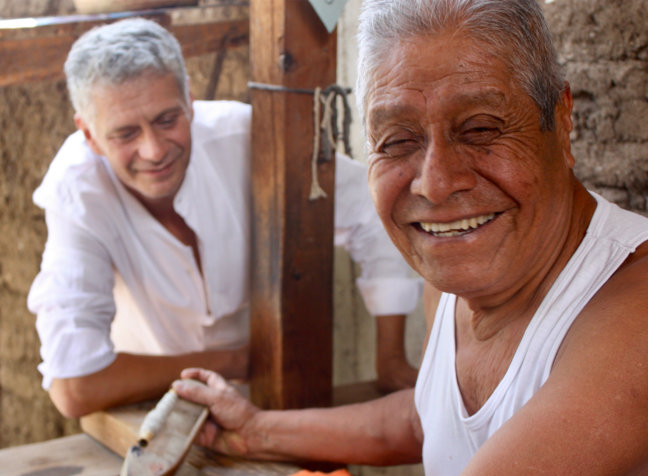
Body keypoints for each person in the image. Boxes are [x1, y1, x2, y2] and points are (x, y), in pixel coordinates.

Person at [0, 0, 648, 476]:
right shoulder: (464, 271)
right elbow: (425, 418)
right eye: (398, 141)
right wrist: (255, 428)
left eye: (481, 128)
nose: (437, 181)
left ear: (562, 122)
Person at [26, 17, 422, 417]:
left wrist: (390, 357)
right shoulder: (76, 190)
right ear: (89, 135)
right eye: (125, 134)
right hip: (149, 409)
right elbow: (74, 387)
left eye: (168, 119)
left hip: (270, 399)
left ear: (190, 99)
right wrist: (232, 361)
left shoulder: (248, 137)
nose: (154, 150)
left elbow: (374, 214)